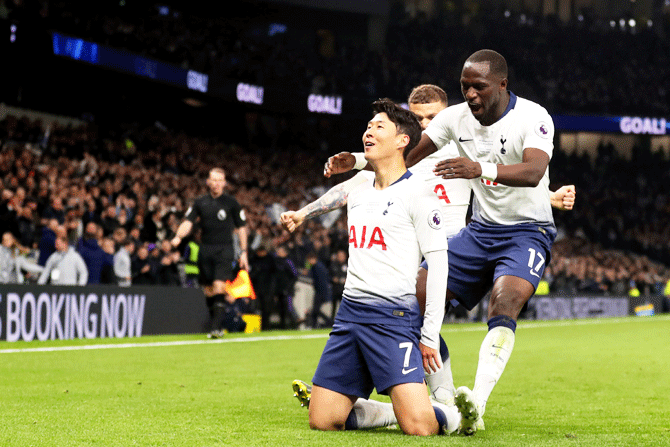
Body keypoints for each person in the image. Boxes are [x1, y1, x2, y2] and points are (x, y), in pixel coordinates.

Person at [323, 50, 567, 435]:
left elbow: (535, 171)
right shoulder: (455, 119)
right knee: (414, 296)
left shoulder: (533, 117)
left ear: (502, 84)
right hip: (480, 231)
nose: (470, 94)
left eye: (479, 86)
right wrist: (355, 161)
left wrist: (478, 168)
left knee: (505, 301)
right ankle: (431, 400)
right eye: (464, 86)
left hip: (526, 230)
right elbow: (408, 158)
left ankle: (477, 405)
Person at [281, 99, 460, 436]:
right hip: (350, 317)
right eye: (368, 126)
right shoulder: (360, 190)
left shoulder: (419, 195)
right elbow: (338, 191)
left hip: (393, 320)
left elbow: (438, 265)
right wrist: (302, 214)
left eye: (379, 127)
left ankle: (453, 416)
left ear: (402, 140)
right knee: (323, 420)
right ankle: (389, 409)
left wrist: (429, 334)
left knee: (420, 427)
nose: (368, 132)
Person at [171, 168, 249, 338]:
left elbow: (241, 227)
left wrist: (243, 252)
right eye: (213, 180)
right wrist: (178, 236)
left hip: (224, 249)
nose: (216, 183)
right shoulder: (200, 202)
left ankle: (215, 327)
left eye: (219, 180)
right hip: (205, 250)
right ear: (208, 181)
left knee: (220, 286)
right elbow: (188, 222)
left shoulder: (231, 202)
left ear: (224, 183)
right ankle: (216, 322)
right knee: (208, 290)